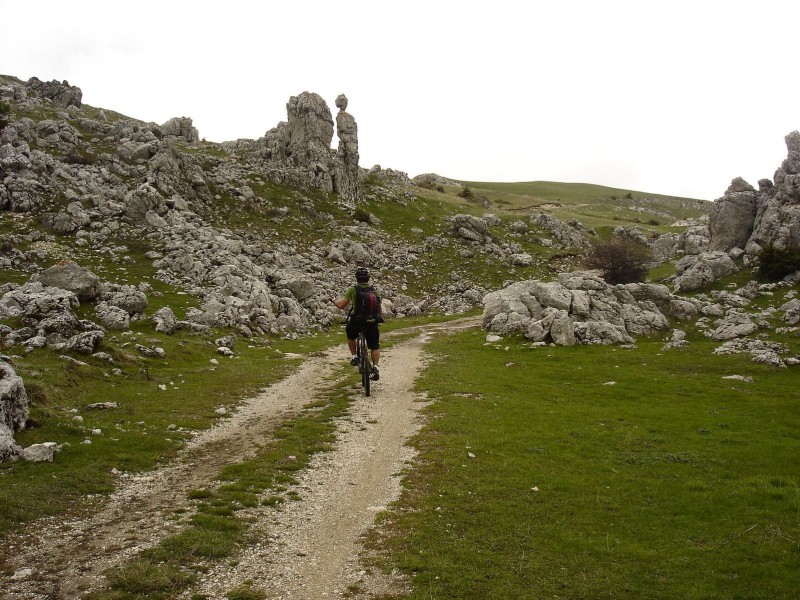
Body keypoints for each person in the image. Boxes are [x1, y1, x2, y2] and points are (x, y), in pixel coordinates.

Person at [332, 267, 382, 380]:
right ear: (368, 278)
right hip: (372, 322)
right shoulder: (374, 290)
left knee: (350, 334)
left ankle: (354, 356)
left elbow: (341, 305)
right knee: (374, 345)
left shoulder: (353, 290)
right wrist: (379, 318)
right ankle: (375, 367)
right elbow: (379, 306)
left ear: (357, 279)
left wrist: (333, 300)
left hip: (358, 321)